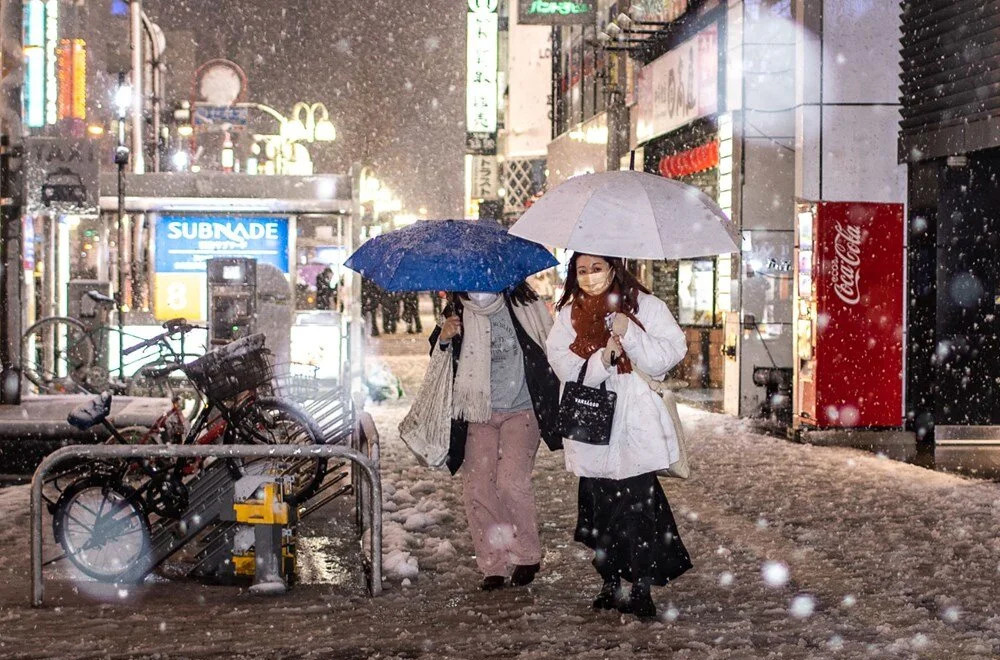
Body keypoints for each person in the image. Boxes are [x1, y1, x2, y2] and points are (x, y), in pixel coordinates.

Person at [545, 252, 692, 620]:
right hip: (592, 424)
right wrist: (602, 360)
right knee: (600, 513)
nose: (590, 276)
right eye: (581, 270)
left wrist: (632, 335)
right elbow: (561, 362)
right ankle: (609, 581)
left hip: (634, 423)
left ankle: (642, 587)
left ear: (613, 267)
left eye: (597, 268)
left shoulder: (646, 306)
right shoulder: (569, 314)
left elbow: (669, 354)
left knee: (639, 512)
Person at [428, 283, 562, 591]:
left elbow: (553, 345)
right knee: (478, 488)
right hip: (479, 412)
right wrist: (445, 337)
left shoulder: (525, 304)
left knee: (511, 482)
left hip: (523, 409)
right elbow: (438, 358)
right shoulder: (457, 310)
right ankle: (494, 564)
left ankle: (527, 554)